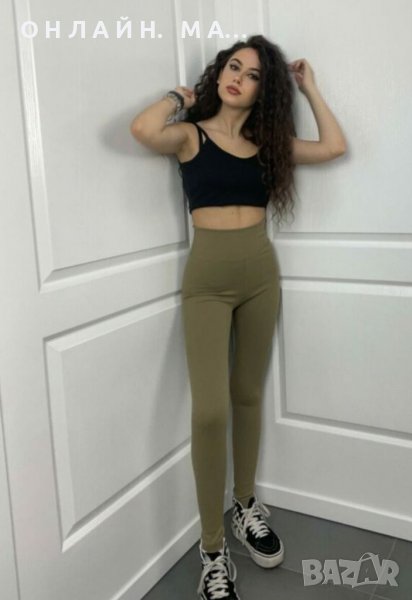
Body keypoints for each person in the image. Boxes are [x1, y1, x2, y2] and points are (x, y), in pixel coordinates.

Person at [130, 34, 346, 600]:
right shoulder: (190, 135)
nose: (237, 79)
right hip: (206, 284)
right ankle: (211, 549)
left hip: (260, 277)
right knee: (210, 411)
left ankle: (246, 503)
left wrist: (310, 88)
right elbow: (142, 129)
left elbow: (334, 147)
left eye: (252, 75)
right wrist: (178, 97)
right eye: (232, 67)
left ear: (262, 92)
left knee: (248, 394)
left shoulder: (267, 145)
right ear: (218, 73)